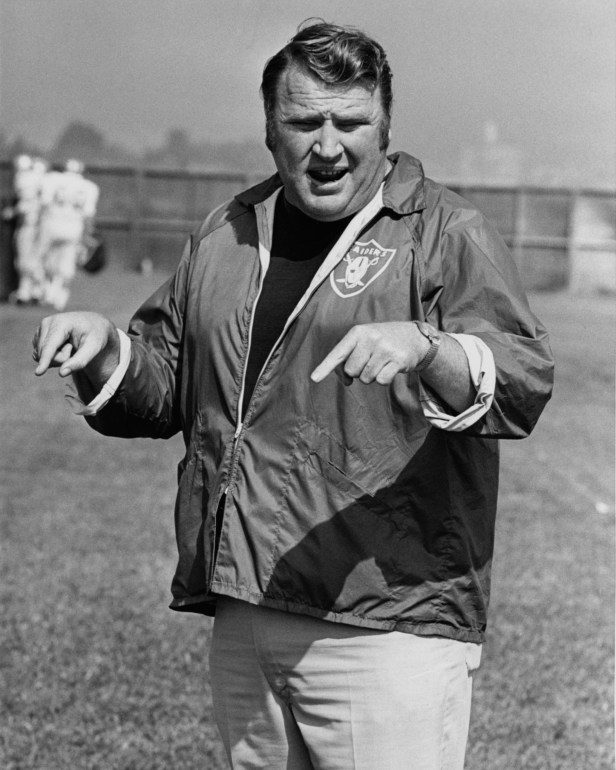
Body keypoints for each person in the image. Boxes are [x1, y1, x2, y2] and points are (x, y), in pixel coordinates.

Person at [32, 21, 554, 770]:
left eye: (351, 122)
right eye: (305, 122)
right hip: (244, 614)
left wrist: (430, 347)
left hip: (385, 625)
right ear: (270, 130)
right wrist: (107, 347)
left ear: (386, 126)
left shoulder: (446, 232)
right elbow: (164, 385)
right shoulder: (228, 234)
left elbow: (523, 378)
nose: (329, 145)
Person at [36, 158, 100, 310]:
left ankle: (47, 291)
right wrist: (88, 234)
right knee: (66, 262)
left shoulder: (52, 179)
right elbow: (88, 215)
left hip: (52, 223)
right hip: (74, 227)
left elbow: (44, 203)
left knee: (43, 260)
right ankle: (59, 294)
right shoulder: (89, 187)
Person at [7, 154, 48, 304]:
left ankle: (40, 289)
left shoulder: (26, 179)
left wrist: (13, 212)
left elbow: (26, 204)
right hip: (42, 226)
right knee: (33, 260)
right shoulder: (43, 180)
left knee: (26, 260)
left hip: (30, 225)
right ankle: (30, 291)